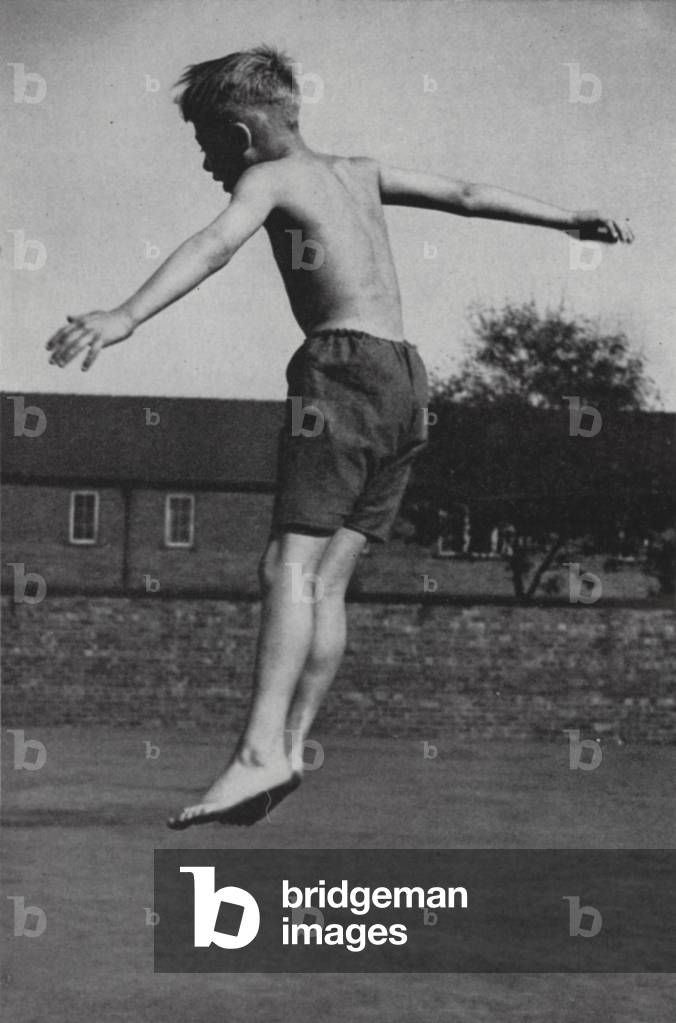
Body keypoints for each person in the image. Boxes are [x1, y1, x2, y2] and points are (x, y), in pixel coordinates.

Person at [45, 46, 633, 827]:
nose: (206, 164)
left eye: (206, 145)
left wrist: (125, 314)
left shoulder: (269, 178)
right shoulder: (357, 169)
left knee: (285, 564)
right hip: (408, 380)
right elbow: (463, 193)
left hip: (342, 370)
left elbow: (215, 245)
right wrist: (568, 219)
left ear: (242, 133)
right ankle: (289, 745)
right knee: (327, 579)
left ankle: (257, 752)